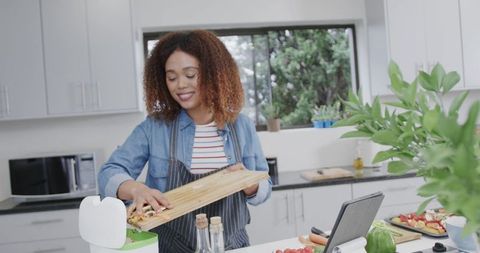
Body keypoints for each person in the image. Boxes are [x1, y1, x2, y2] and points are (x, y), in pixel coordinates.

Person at [97, 30, 272, 252]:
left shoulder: (242, 126)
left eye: (190, 75)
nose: (179, 85)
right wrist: (135, 190)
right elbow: (109, 172)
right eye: (171, 77)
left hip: (232, 247)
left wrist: (251, 183)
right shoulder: (154, 127)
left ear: (214, 75)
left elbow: (264, 185)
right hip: (171, 247)